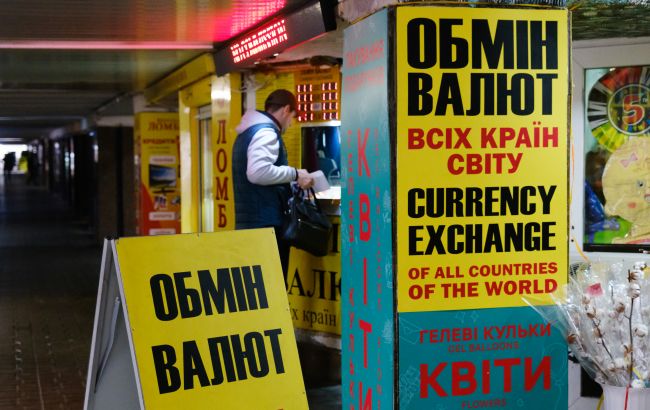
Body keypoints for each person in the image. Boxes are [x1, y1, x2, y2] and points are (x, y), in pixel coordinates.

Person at [232, 89, 314, 273]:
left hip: (250, 226)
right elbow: (257, 172)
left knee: (255, 285)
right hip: (264, 226)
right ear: (286, 110)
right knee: (272, 283)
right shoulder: (266, 132)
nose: (290, 124)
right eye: (292, 117)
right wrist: (295, 174)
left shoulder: (247, 133)